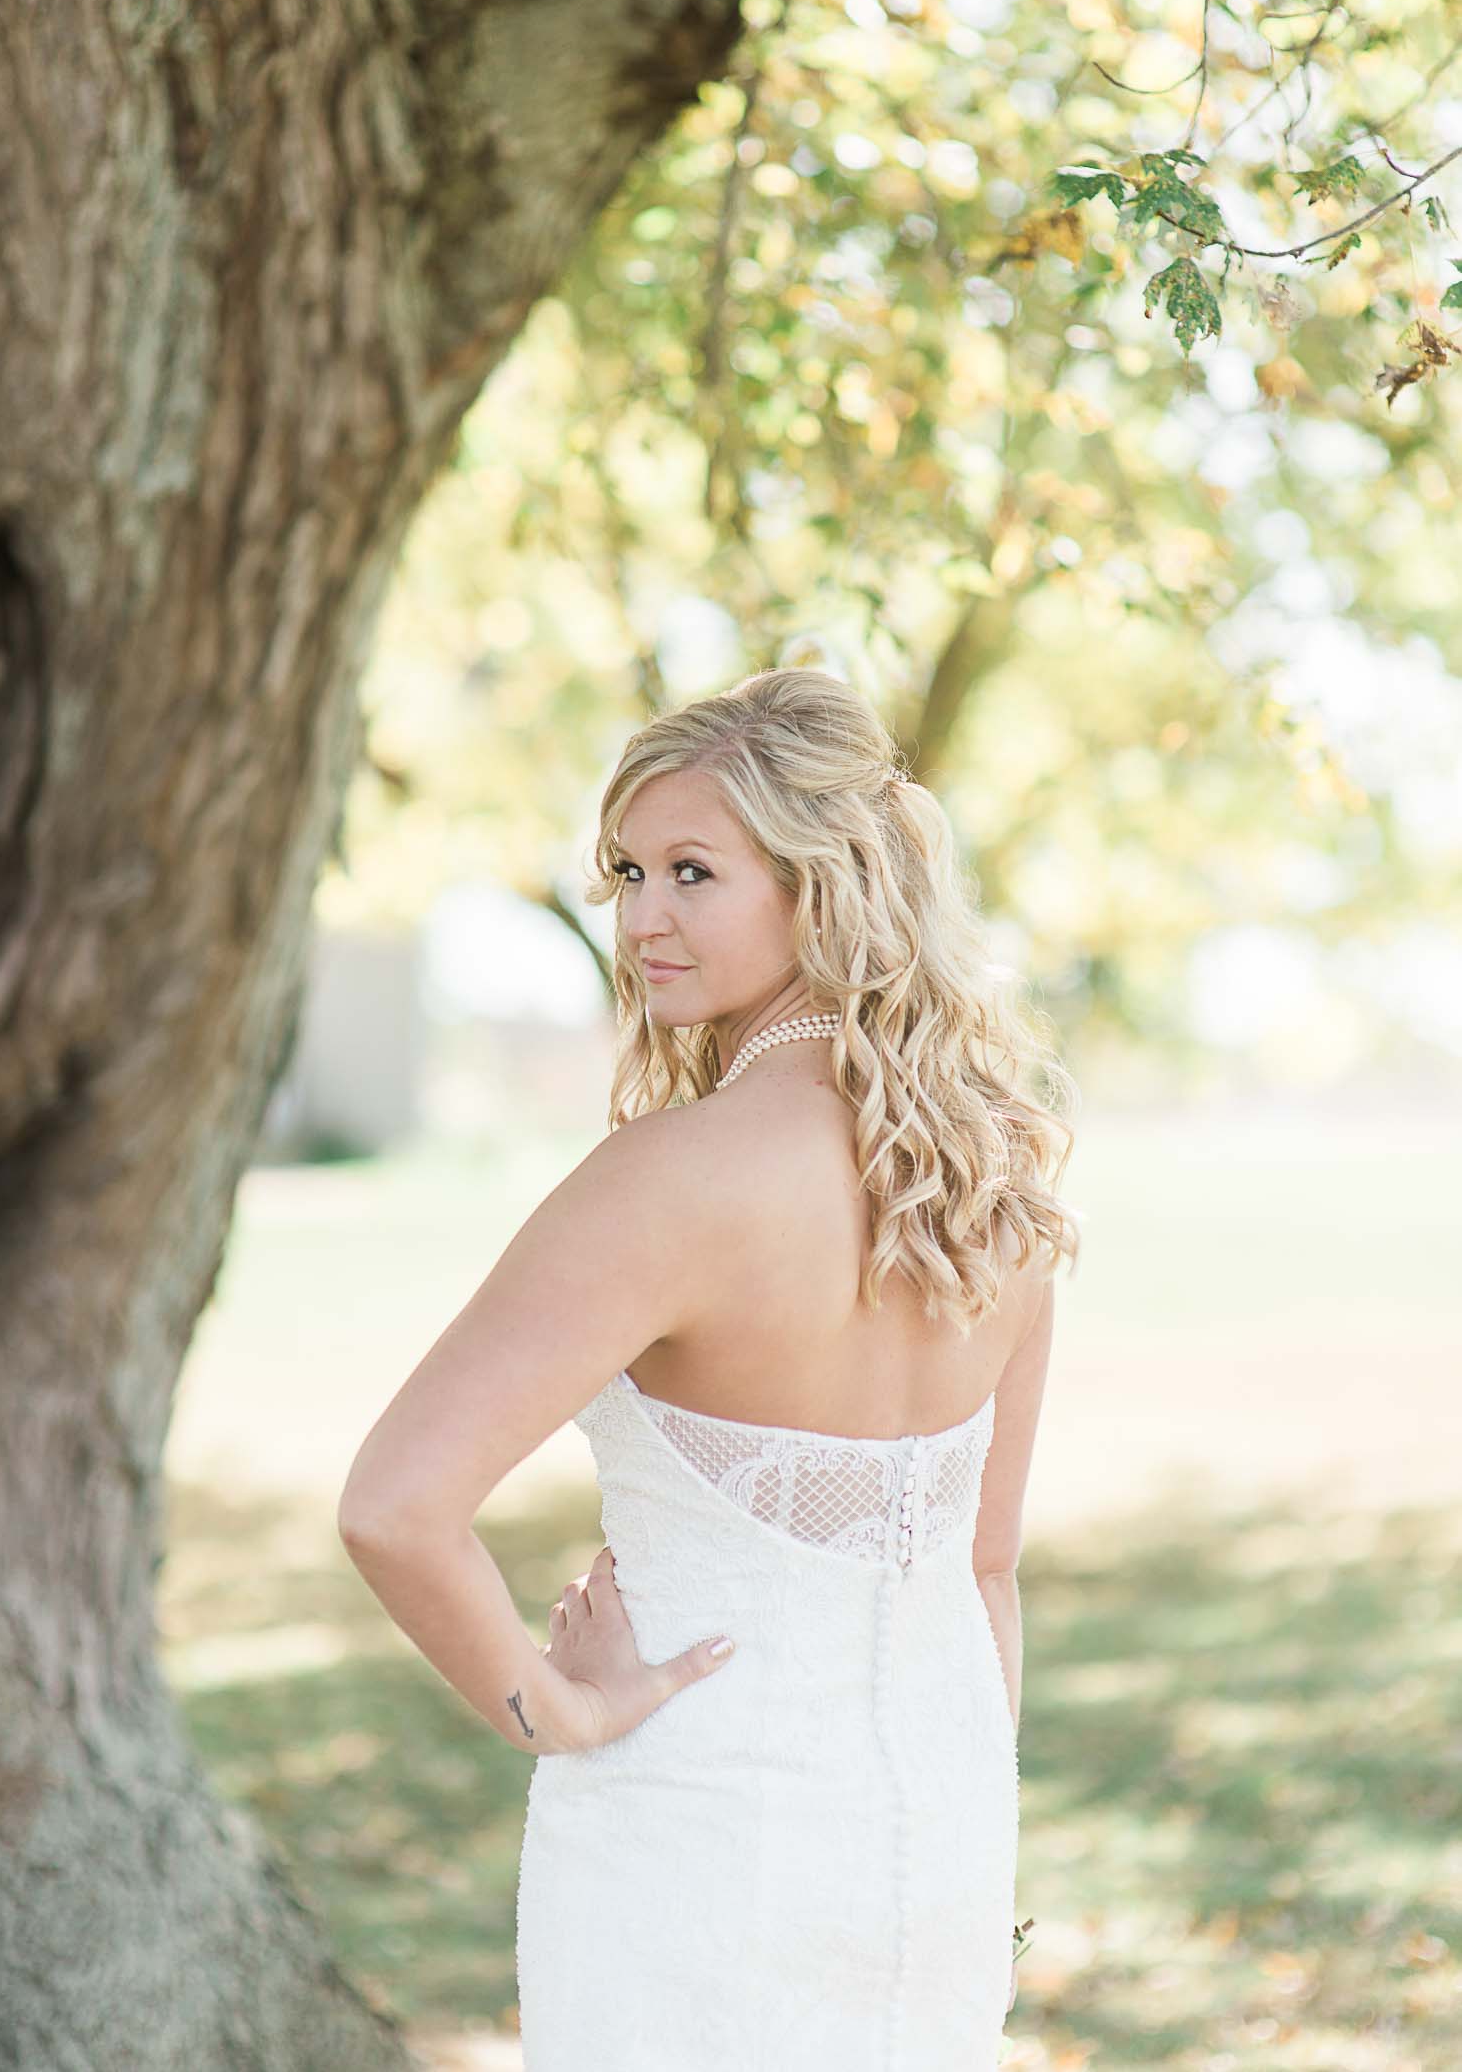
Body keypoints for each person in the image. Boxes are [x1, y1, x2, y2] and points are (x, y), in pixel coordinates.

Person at [338, 665, 1081, 2071]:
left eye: (693, 871)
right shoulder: (993, 1180)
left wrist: (555, 1707)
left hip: (694, 1840)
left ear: (826, 886)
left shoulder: (668, 1181)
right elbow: (987, 1569)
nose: (639, 918)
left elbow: (394, 1504)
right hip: (941, 1844)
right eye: (627, 871)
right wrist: (971, 1834)